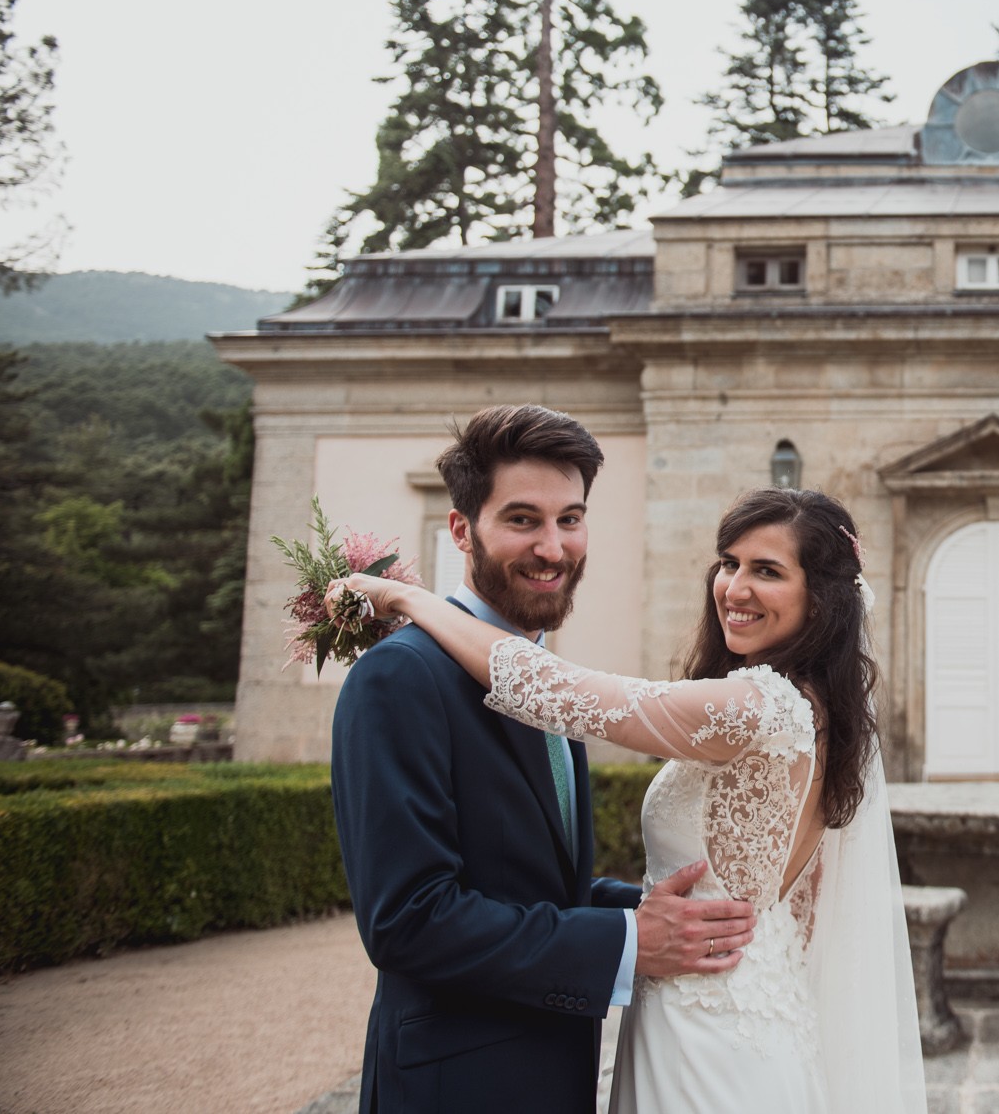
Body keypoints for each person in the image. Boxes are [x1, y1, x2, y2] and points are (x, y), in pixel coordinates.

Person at [334, 485, 926, 1114]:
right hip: (744, 1008)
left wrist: (410, 599)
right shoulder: (816, 713)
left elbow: (559, 692)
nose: (736, 588)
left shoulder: (760, 706)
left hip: (712, 1038)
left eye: (768, 571)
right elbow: (794, 910)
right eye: (729, 563)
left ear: (822, 599)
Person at [329, 405, 759, 1114]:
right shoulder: (402, 676)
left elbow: (529, 879)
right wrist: (628, 940)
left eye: (570, 519)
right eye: (522, 519)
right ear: (462, 529)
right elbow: (409, 919)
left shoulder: (544, 679)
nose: (553, 548)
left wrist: (649, 909)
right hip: (455, 1091)